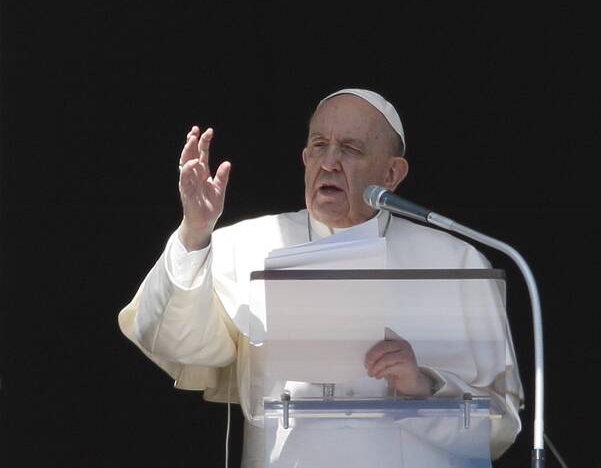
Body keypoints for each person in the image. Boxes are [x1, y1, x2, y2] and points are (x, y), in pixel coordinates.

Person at [118, 88, 524, 467]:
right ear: (305, 158)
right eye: (319, 146)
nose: (330, 162)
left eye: (350, 148)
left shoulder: (454, 262)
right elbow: (171, 338)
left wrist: (424, 385)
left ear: (392, 174)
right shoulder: (246, 246)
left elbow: (500, 425)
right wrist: (194, 231)